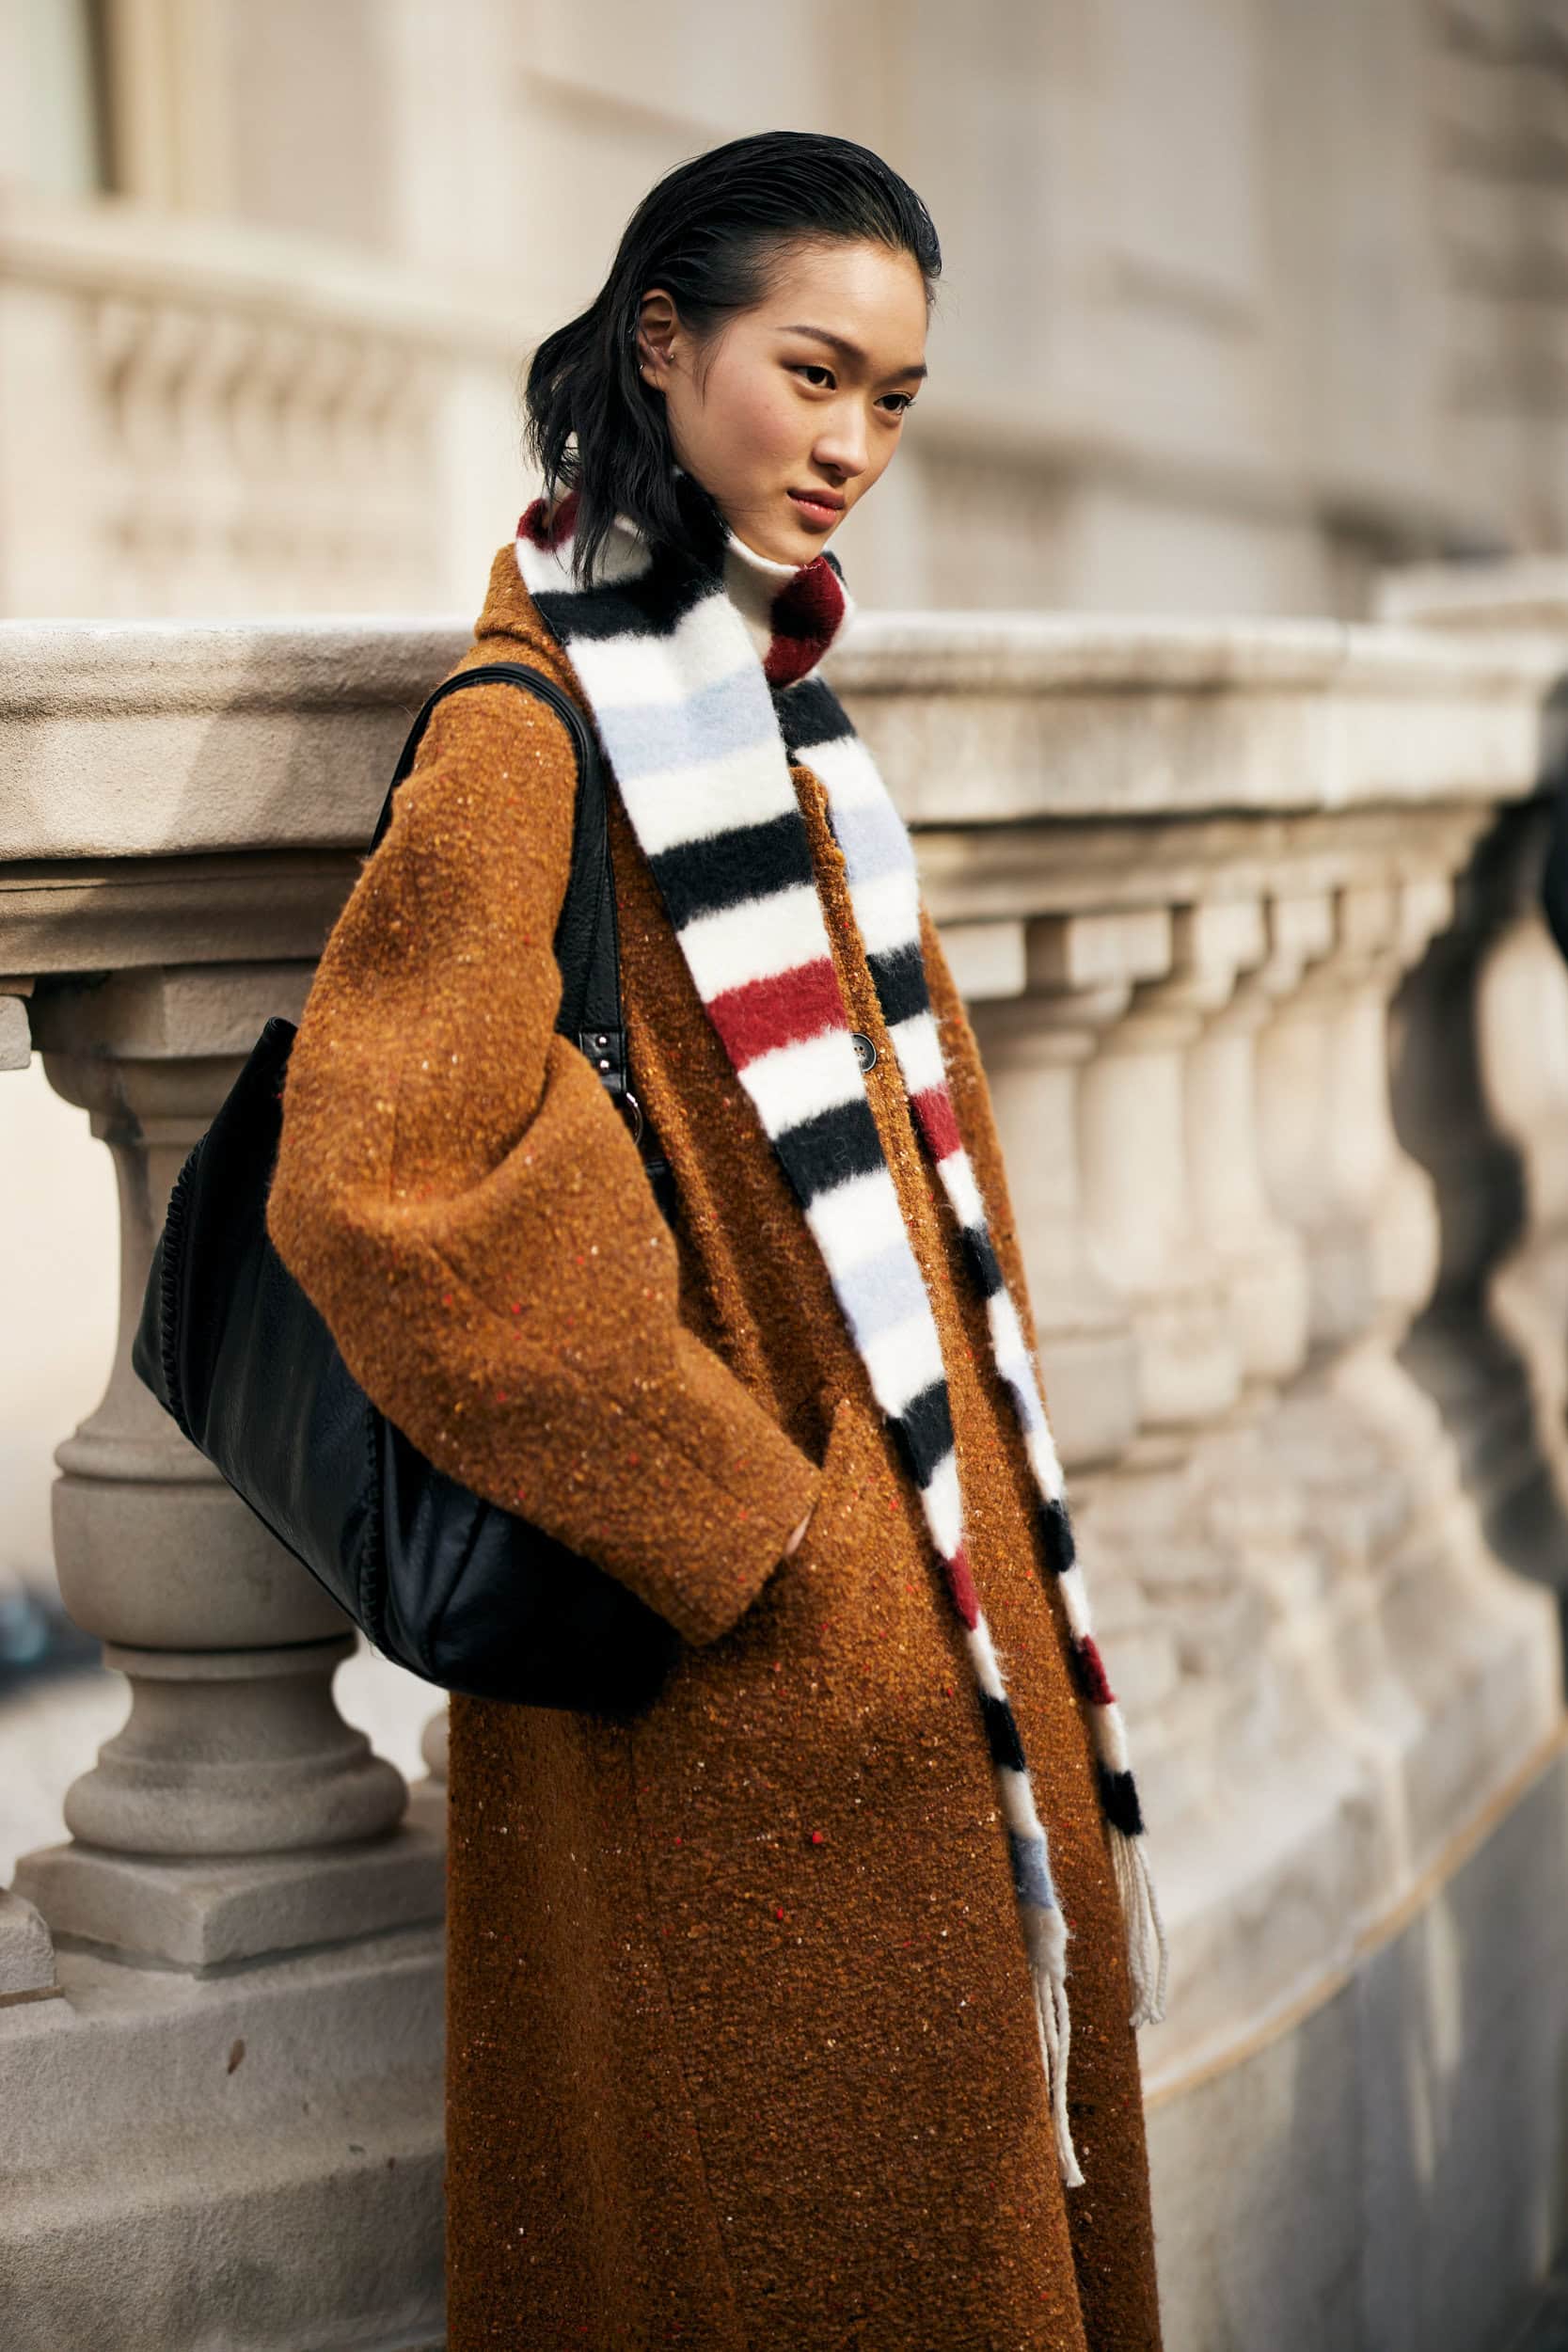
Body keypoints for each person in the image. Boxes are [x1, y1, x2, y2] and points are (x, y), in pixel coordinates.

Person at [267, 127, 1168, 2351]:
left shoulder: (775, 708)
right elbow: (374, 1176)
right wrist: (757, 1525)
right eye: (815, 372)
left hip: (900, 1685)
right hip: (741, 1708)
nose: (854, 444)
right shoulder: (535, 725)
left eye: (896, 399)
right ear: (662, 344)